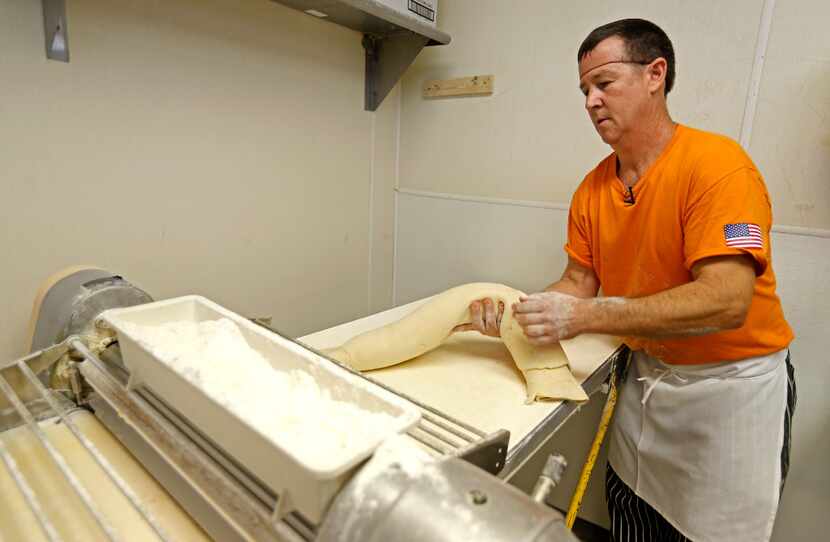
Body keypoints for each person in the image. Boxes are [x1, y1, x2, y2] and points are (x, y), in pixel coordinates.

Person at [458, 18, 796, 542]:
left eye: (605, 83)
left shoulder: (718, 168)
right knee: (632, 509)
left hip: (729, 392)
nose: (591, 101)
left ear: (655, 74)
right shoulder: (593, 189)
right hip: (647, 379)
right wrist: (516, 310)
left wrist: (585, 316)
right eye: (584, 90)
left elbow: (727, 300)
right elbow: (578, 282)